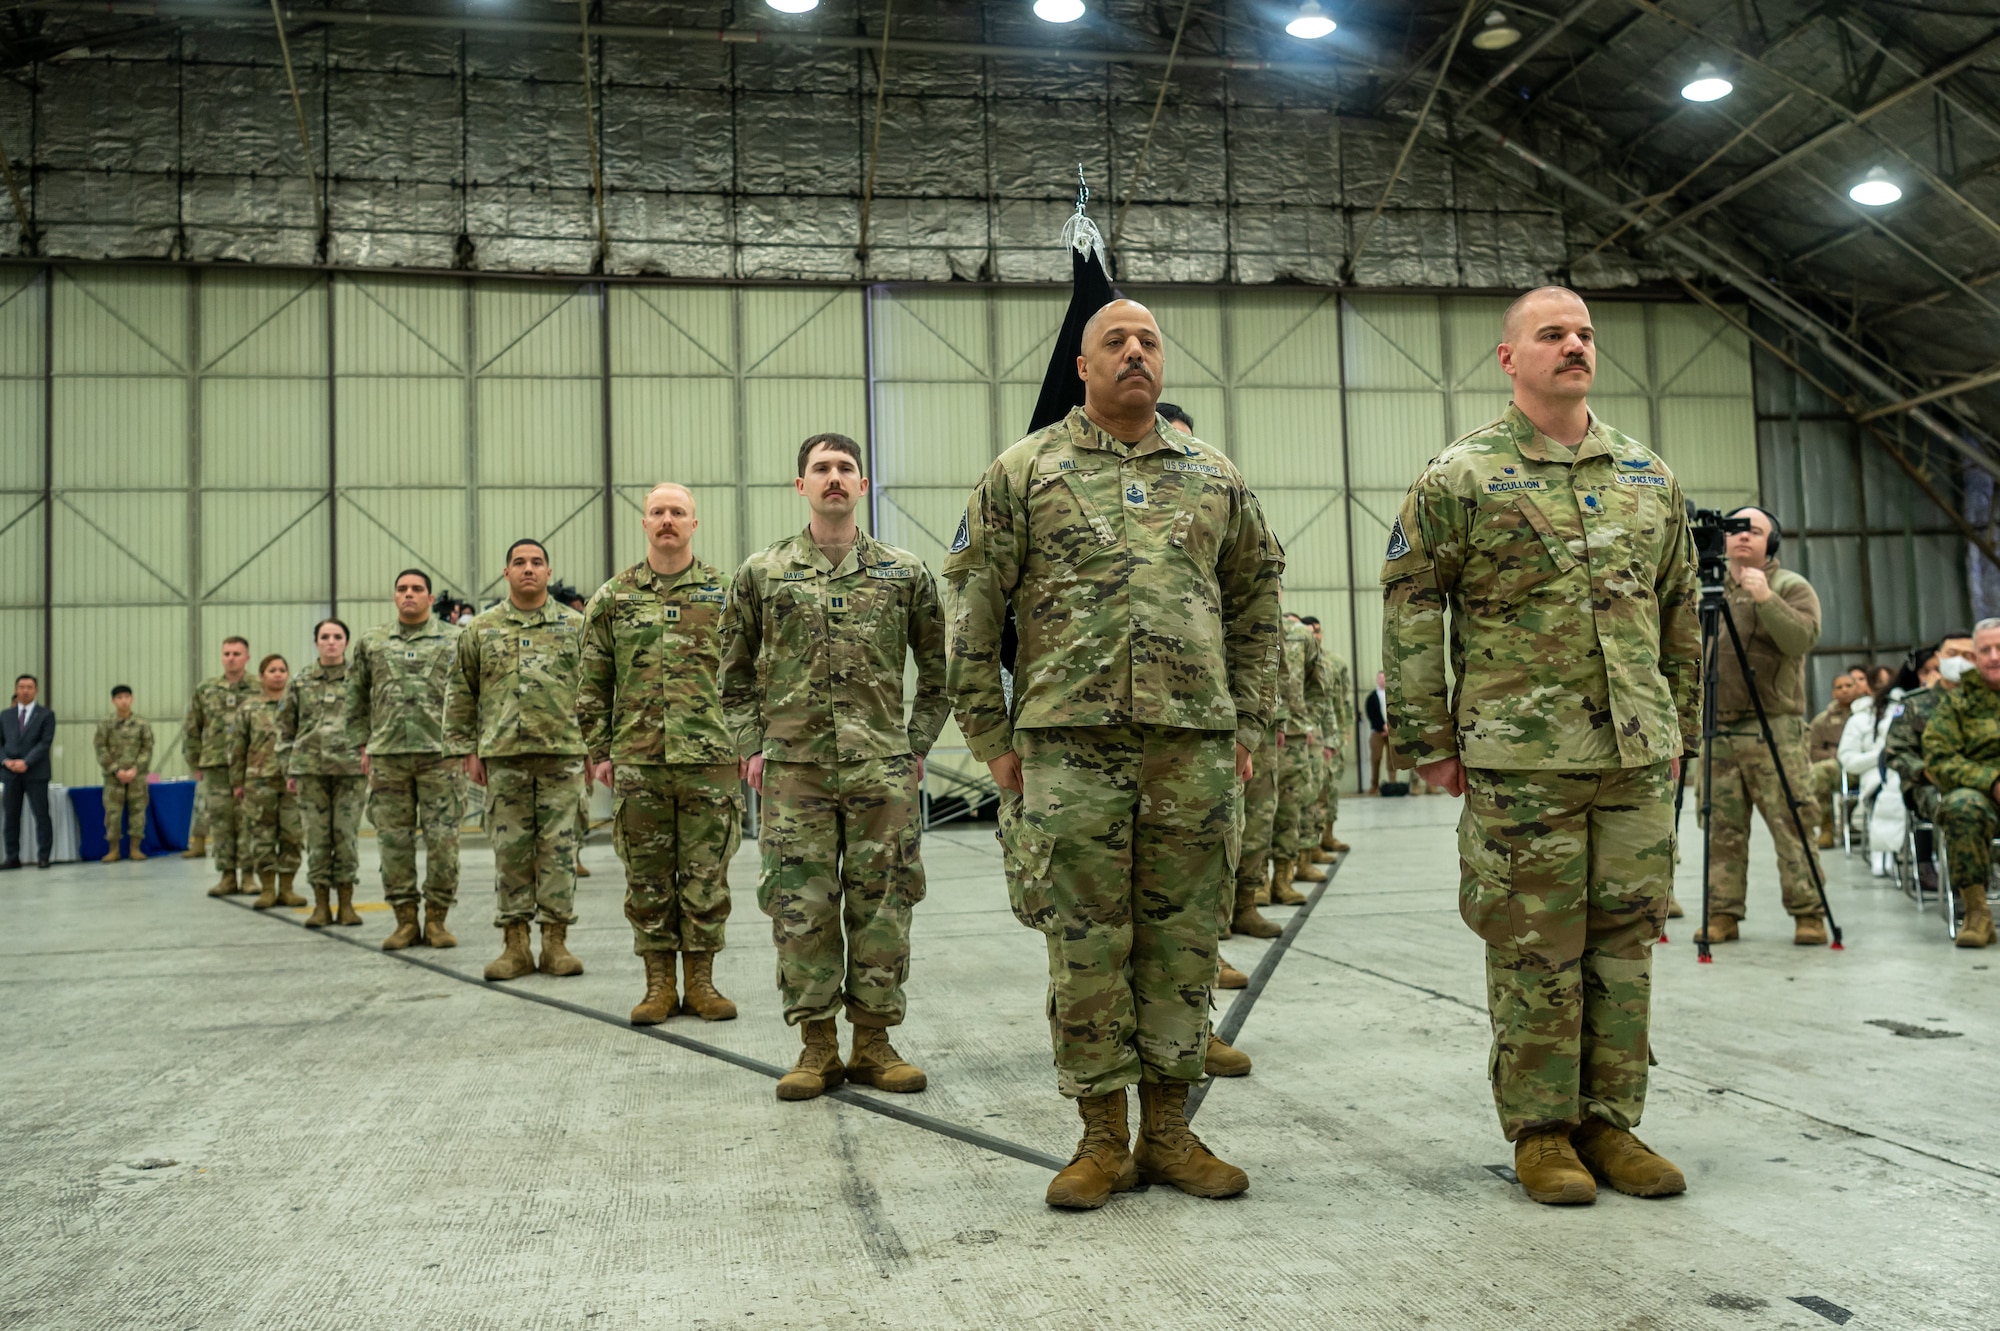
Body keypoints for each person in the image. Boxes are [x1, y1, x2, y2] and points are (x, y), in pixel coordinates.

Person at [945, 297, 1283, 1209]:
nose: (1135, 353)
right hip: (1067, 747)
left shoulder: (1215, 477)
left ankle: (1170, 1130)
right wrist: (990, 739)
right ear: (1083, 367)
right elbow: (973, 611)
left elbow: (1257, 611)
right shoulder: (1024, 471)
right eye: (1115, 343)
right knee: (1086, 945)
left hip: (1193, 747)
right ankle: (1101, 1138)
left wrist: (1245, 724)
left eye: (1149, 342)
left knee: (1181, 940)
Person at [1381, 286, 1699, 1206]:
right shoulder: (1462, 476)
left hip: (1634, 755)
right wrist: (1427, 738)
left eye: (1586, 333)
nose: (1574, 345)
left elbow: (1679, 608)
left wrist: (1673, 723)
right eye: (1552, 333)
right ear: (1507, 357)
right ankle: (1542, 1130)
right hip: (1521, 757)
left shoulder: (1646, 475)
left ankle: (1611, 1119)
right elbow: (1412, 606)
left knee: (1626, 940)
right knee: (1534, 945)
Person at [721, 433, 948, 1102]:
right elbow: (730, 672)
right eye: (821, 469)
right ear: (801, 485)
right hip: (796, 772)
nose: (834, 478)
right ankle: (816, 1045)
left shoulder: (903, 572)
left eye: (846, 468)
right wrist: (751, 745)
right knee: (800, 907)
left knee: (884, 904)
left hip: (881, 770)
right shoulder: (763, 572)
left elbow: (940, 669)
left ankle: (874, 1042)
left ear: (863, 484)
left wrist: (918, 742)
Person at [580, 483, 744, 1027]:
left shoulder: (726, 592)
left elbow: (751, 674)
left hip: (711, 759)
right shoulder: (614, 597)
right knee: (646, 878)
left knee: (705, 876)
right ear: (644, 523)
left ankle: (701, 983)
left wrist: (751, 742)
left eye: (678, 512)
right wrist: (599, 750)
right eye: (658, 512)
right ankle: (658, 986)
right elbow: (593, 679)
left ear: (694, 524)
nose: (667, 519)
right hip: (639, 760)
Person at [446, 540, 588, 981]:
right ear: (505, 573)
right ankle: (515, 945)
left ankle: (556, 943)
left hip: (562, 755)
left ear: (548, 572)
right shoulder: (481, 629)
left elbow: (600, 689)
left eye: (537, 563)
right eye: (519, 563)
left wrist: (597, 749)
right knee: (510, 853)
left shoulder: (577, 626)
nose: (529, 569)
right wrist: (466, 749)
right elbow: (461, 691)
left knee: (560, 851)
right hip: (503, 756)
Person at [1158, 402, 1256, 1044]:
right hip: (1093, 737)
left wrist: (1246, 722)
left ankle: (1192, 1036)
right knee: (1094, 918)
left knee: (1192, 899)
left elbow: (1254, 601)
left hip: (1199, 732)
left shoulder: (1216, 495)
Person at [1689, 506, 1826, 946]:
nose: (1743, 536)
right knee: (1720, 826)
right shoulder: (1708, 590)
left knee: (1792, 821)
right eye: (1735, 530)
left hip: (1774, 727)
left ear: (1772, 543)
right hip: (1717, 727)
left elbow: (1801, 639)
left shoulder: (1790, 586)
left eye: (1755, 530)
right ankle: (1722, 913)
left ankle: (1809, 913)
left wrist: (1765, 597)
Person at [348, 571, 463, 945]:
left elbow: (471, 693)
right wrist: (362, 744)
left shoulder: (455, 639)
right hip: (388, 757)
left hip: (440, 756)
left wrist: (468, 744)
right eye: (402, 589)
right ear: (394, 596)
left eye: (417, 589)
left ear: (430, 598)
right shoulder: (371, 642)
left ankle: (437, 920)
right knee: (393, 844)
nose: (409, 594)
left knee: (443, 842)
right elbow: (356, 696)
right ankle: (404, 920)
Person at [282, 619, 366, 929]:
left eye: (337, 637)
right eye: (325, 637)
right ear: (316, 642)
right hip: (309, 769)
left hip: (350, 770)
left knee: (346, 837)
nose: (331, 642)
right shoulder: (300, 681)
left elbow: (370, 719)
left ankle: (346, 904)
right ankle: (320, 906)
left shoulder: (359, 680)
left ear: (346, 642)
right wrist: (288, 768)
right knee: (317, 839)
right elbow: (285, 728)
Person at [1922, 618, 2000, 949]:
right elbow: (1939, 759)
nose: (1994, 656)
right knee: (1960, 805)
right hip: (1983, 799)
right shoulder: (1957, 704)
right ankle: (1977, 912)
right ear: (1975, 657)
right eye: (1985, 650)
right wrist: (1992, 781)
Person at [1885, 632, 1976, 894]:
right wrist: (1926, 772)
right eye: (1952, 654)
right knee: (1961, 808)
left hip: (1980, 780)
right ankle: (1968, 893)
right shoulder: (1914, 704)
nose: (1960, 661)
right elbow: (1896, 752)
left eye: (1968, 656)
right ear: (1938, 658)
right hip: (1928, 785)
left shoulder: (1987, 701)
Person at [229, 654, 305, 910]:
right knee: (261, 836)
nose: (278, 674)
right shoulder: (249, 709)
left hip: (291, 780)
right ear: (261, 676)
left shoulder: (297, 705)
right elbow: (238, 747)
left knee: (292, 835)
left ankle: (287, 888)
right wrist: (237, 782)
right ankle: (268, 888)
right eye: (271, 670)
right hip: (258, 781)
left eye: (282, 669)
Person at [186, 639, 257, 895]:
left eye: (237, 654)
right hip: (216, 765)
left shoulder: (258, 688)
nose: (231, 658)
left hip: (250, 766)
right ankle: (227, 876)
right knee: (221, 822)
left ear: (247, 657)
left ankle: (249, 875)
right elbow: (192, 728)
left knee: (248, 820)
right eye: (226, 653)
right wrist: (194, 762)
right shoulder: (206, 689)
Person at [1838, 674, 1901, 875]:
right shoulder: (1859, 720)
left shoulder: (1903, 714)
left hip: (1904, 772)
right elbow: (1847, 759)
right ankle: (1882, 853)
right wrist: (1880, 756)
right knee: (1884, 793)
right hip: (1874, 775)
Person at [1301, 614, 1353, 856]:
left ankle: (1328, 835)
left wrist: (1345, 729)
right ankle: (1312, 844)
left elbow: (1342, 699)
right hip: (1312, 733)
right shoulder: (1297, 660)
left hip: (1334, 732)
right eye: (1311, 631)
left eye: (1318, 631)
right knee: (1314, 791)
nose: (1315, 635)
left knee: (1331, 787)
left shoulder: (1335, 663)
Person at [1808, 668, 1868, 849]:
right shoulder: (1822, 721)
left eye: (1849, 685)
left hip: (1865, 764)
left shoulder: (1868, 713)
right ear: (1833, 693)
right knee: (1819, 772)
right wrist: (1836, 755)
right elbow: (1811, 750)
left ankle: (1847, 824)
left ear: (1858, 687)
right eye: (1839, 687)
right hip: (1838, 768)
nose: (1844, 690)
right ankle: (1827, 828)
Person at [95, 685, 154, 862]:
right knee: (113, 813)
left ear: (132, 699)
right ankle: (114, 850)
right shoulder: (105, 724)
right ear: (113, 701)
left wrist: (136, 768)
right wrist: (115, 769)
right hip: (114, 777)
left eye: (127, 697)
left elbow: (147, 748)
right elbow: (100, 748)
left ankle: (135, 849)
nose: (123, 701)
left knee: (138, 810)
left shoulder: (142, 723)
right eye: (119, 698)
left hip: (137, 776)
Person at [2, 675, 56, 869]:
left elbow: (44, 742)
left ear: (36, 690)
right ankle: (12, 857)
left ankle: (43, 856)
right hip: (10, 774)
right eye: (22, 687)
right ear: (16, 689)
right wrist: (6, 761)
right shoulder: (5, 716)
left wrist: (26, 762)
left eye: (30, 687)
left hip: (36, 773)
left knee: (41, 816)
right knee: (11, 817)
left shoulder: (46, 715)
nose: (25, 690)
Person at [1365, 670, 1388, 793]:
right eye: (1380, 678)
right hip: (1377, 732)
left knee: (1392, 761)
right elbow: (1371, 714)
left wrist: (1390, 727)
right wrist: (1382, 727)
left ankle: (1392, 784)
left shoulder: (1392, 695)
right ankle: (1374, 785)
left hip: (1391, 732)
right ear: (1377, 680)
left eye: (1384, 678)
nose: (1382, 680)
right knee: (1376, 758)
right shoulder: (1372, 697)